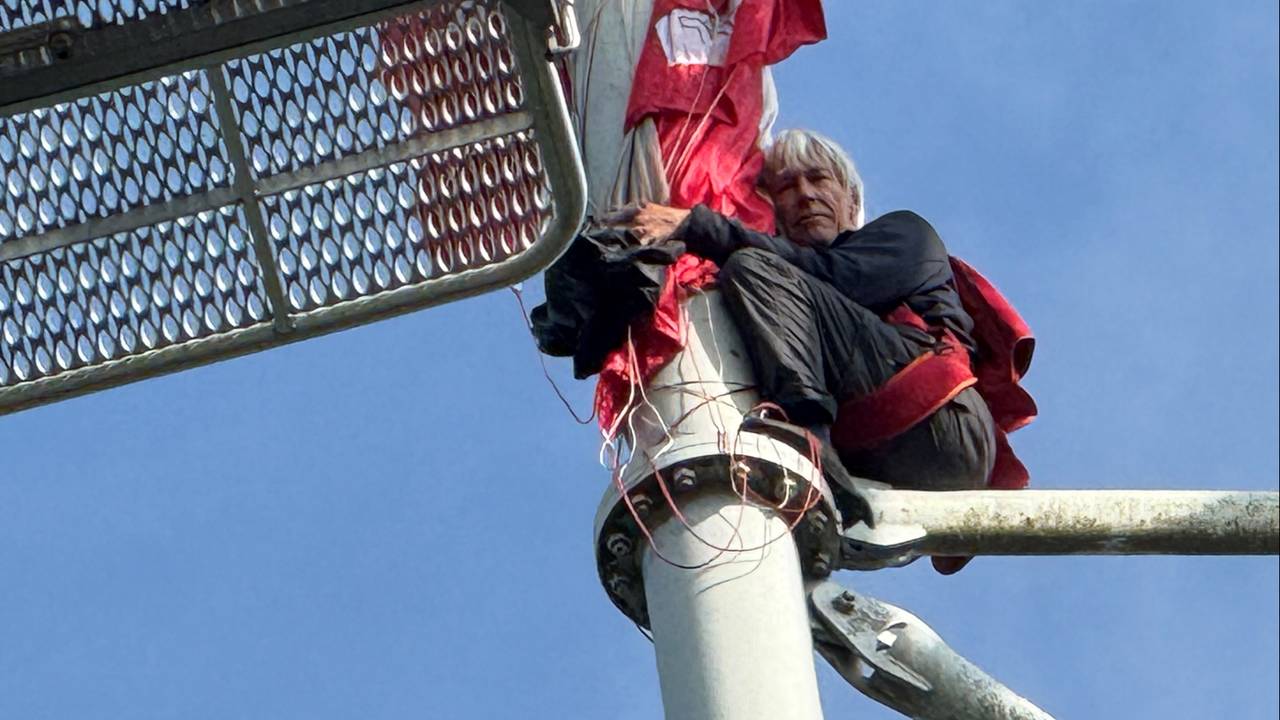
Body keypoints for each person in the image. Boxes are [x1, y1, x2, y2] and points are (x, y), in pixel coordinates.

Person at [610, 129, 1000, 493]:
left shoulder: (905, 235)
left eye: (819, 179)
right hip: (873, 447)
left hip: (943, 421)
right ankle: (824, 472)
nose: (806, 195)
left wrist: (696, 225)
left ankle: (808, 437)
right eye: (786, 187)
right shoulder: (786, 307)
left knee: (753, 267)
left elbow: (835, 275)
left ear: (851, 198)